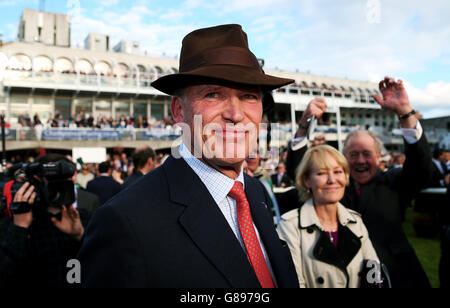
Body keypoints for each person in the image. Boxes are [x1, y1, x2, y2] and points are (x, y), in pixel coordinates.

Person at [78, 24, 299, 288]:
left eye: (248, 96)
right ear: (179, 110)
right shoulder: (124, 221)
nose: (236, 114)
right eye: (214, 94)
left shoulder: (253, 191)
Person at [286, 77, 433, 288]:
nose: (361, 160)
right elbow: (300, 171)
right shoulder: (333, 189)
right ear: (344, 157)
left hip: (400, 276)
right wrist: (305, 122)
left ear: (379, 156)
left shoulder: (394, 182)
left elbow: (421, 169)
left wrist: (405, 113)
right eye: (353, 154)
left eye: (367, 154)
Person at [278, 145, 381, 288]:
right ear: (307, 180)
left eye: (338, 172)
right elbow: (293, 284)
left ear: (345, 178)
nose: (332, 180)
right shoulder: (290, 226)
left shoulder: (355, 222)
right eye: (322, 173)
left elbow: (374, 274)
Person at [0, 155, 90, 288]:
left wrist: (80, 237)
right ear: (36, 182)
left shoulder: (84, 220)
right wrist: (20, 227)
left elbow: (100, 271)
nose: (57, 187)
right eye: (51, 180)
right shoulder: (13, 224)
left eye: (63, 180)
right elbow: (5, 274)